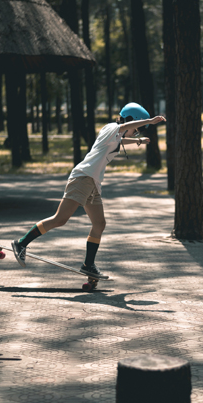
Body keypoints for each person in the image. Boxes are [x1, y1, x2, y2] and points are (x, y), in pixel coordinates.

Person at [11, 103, 166, 276]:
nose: (136, 132)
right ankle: (21, 243)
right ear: (131, 120)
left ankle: (88, 265)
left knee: (99, 224)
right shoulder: (113, 127)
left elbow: (120, 139)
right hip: (82, 178)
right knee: (60, 218)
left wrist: (137, 140)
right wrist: (150, 121)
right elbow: (123, 128)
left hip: (92, 182)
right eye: (137, 129)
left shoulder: (114, 134)